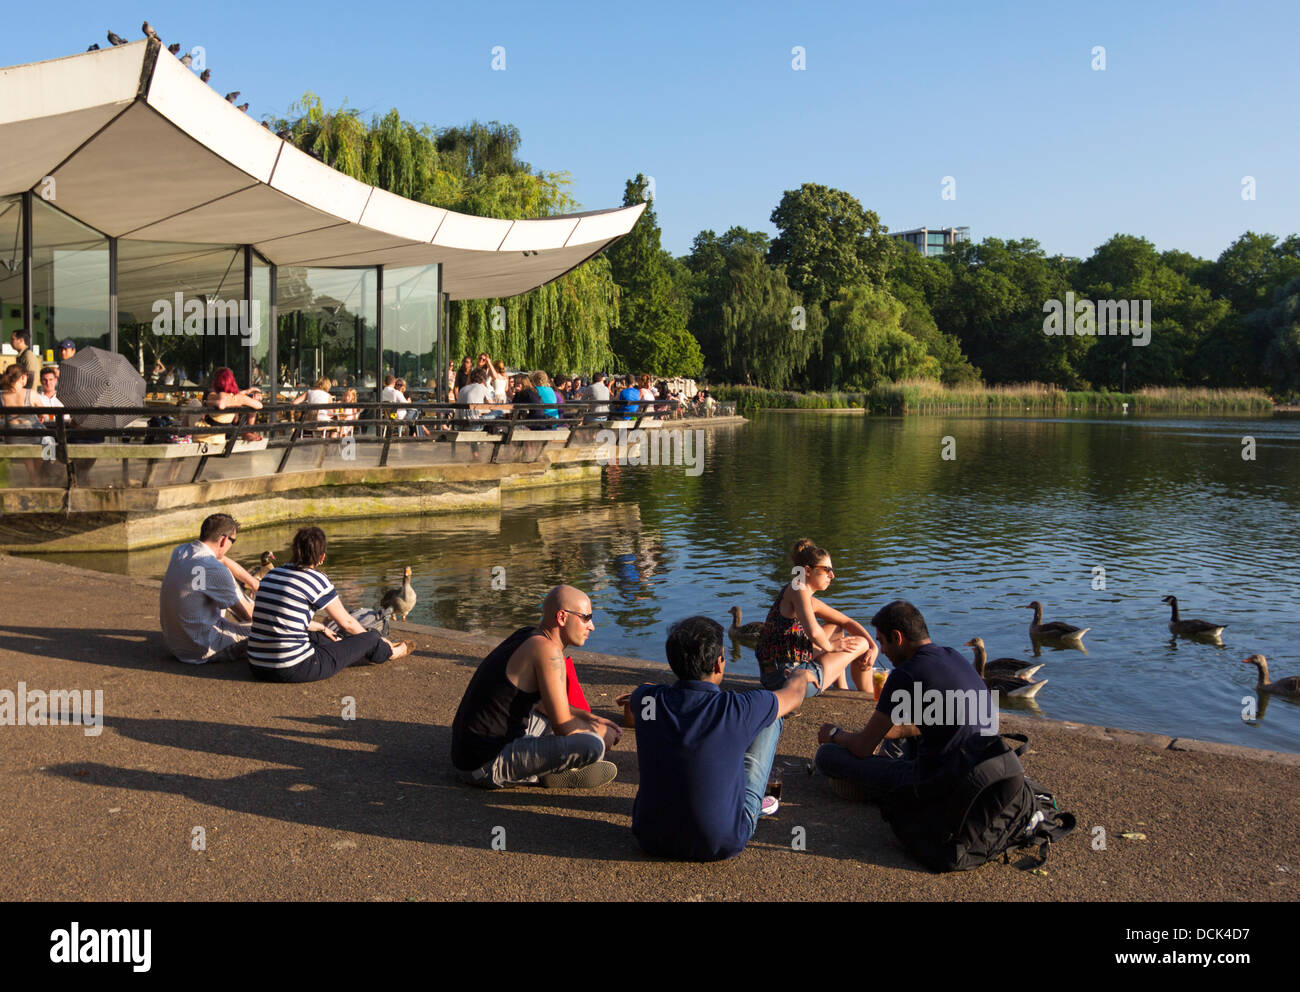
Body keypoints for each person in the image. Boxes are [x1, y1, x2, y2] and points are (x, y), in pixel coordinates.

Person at [631, 616, 817, 861]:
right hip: (721, 841)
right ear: (719, 664)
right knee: (772, 718)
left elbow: (644, 690)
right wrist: (801, 677)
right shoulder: (739, 707)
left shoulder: (646, 699)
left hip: (650, 837)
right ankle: (748, 801)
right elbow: (792, 697)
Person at [814, 600, 994, 800]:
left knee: (827, 756)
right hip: (981, 768)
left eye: (882, 642)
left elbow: (862, 747)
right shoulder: (953, 655)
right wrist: (893, 731)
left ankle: (885, 783)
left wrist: (834, 734)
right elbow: (940, 720)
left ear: (897, 637)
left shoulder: (905, 673)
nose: (882, 651)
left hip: (936, 782)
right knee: (901, 731)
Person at [450, 584, 621, 789]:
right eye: (586, 617)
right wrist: (600, 732)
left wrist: (590, 718)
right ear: (562, 617)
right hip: (486, 764)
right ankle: (540, 774)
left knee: (566, 724)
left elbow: (543, 705)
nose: (591, 626)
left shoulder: (528, 635)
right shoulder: (548, 651)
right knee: (592, 745)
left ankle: (547, 769)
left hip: (468, 752)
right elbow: (563, 725)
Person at [248, 526, 409, 683]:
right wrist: (373, 639)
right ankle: (390, 651)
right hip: (294, 668)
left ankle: (364, 646)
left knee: (324, 636)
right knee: (371, 636)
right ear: (322, 557)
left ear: (294, 550)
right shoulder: (316, 579)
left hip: (257, 665)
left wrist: (322, 627)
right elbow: (347, 623)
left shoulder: (272, 574)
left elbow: (280, 618)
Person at [754, 537, 877, 696]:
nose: (832, 575)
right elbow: (813, 632)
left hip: (775, 676)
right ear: (807, 570)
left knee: (836, 628)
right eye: (827, 570)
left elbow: (846, 621)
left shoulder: (801, 595)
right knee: (860, 644)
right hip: (788, 680)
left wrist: (874, 646)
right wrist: (832, 647)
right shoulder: (798, 587)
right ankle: (868, 693)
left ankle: (842, 689)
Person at [159, 513, 259, 664]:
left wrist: (253, 582)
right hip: (205, 649)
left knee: (222, 580)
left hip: (177, 645)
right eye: (233, 541)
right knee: (275, 632)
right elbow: (249, 617)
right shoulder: (214, 569)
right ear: (224, 540)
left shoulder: (181, 552)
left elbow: (221, 559)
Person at [197, 367, 262, 443]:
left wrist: (206, 403)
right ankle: (248, 432)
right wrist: (245, 396)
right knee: (251, 406)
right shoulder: (238, 397)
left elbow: (222, 403)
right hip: (229, 430)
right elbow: (259, 405)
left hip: (209, 430)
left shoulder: (213, 393)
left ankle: (182, 434)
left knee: (194, 402)